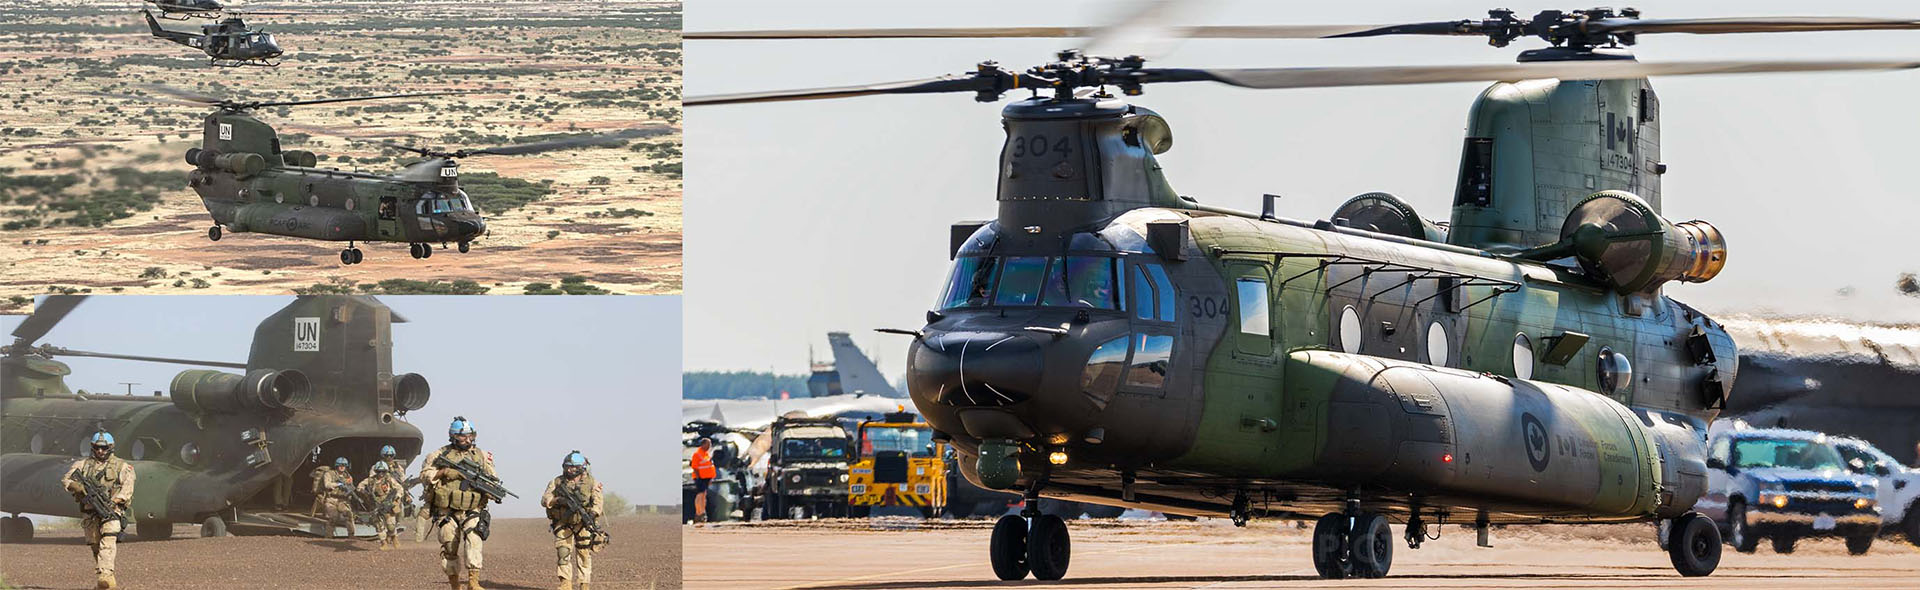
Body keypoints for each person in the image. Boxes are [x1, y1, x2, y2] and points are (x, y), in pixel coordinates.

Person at [421, 416, 497, 590]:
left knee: (474, 540)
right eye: (463, 436)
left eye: (471, 435)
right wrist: (444, 472)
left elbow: (492, 478)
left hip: (472, 509)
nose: (468, 439)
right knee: (449, 546)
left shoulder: (481, 456)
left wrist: (488, 488)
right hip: (447, 511)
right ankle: (455, 584)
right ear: (454, 436)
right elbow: (425, 475)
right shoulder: (439, 455)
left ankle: (473, 582)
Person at [62, 431, 135, 590]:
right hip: (90, 511)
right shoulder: (82, 465)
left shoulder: (122, 467)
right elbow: (66, 479)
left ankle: (106, 574)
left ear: (110, 447)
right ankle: (107, 580)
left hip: (111, 510)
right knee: (95, 544)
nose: (100, 451)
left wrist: (114, 501)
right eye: (97, 447)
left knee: (108, 538)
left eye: (104, 448)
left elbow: (127, 489)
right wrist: (75, 486)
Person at [542, 451, 605, 590]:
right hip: (563, 523)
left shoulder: (592, 482)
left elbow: (598, 503)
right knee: (563, 552)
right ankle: (565, 583)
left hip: (583, 524)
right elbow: (545, 500)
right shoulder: (557, 482)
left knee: (584, 553)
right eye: (568, 466)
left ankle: (584, 583)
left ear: (581, 467)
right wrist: (558, 500)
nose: (570, 470)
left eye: (574, 467)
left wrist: (592, 515)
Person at [360, 460, 404, 550]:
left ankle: (393, 537)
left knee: (391, 525)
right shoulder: (370, 480)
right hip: (375, 504)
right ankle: (383, 543)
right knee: (378, 525)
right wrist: (364, 492)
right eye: (379, 471)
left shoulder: (389, 479)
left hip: (387, 504)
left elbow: (399, 488)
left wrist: (397, 496)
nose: (381, 474)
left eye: (383, 471)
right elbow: (360, 486)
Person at [320, 457, 357, 538]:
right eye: (340, 465)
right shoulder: (329, 474)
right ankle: (328, 536)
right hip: (331, 499)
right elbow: (327, 485)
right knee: (333, 517)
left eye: (344, 465)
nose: (342, 467)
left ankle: (351, 535)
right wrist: (338, 484)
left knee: (349, 515)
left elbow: (351, 487)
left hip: (343, 500)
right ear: (336, 465)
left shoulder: (348, 476)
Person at [689, 438, 717, 524]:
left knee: (704, 495)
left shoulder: (706, 454)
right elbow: (695, 467)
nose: (709, 446)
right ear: (703, 444)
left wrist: (711, 478)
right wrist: (698, 478)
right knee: (700, 495)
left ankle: (702, 512)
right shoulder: (697, 454)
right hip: (700, 478)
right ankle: (699, 513)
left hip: (706, 478)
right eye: (708, 444)